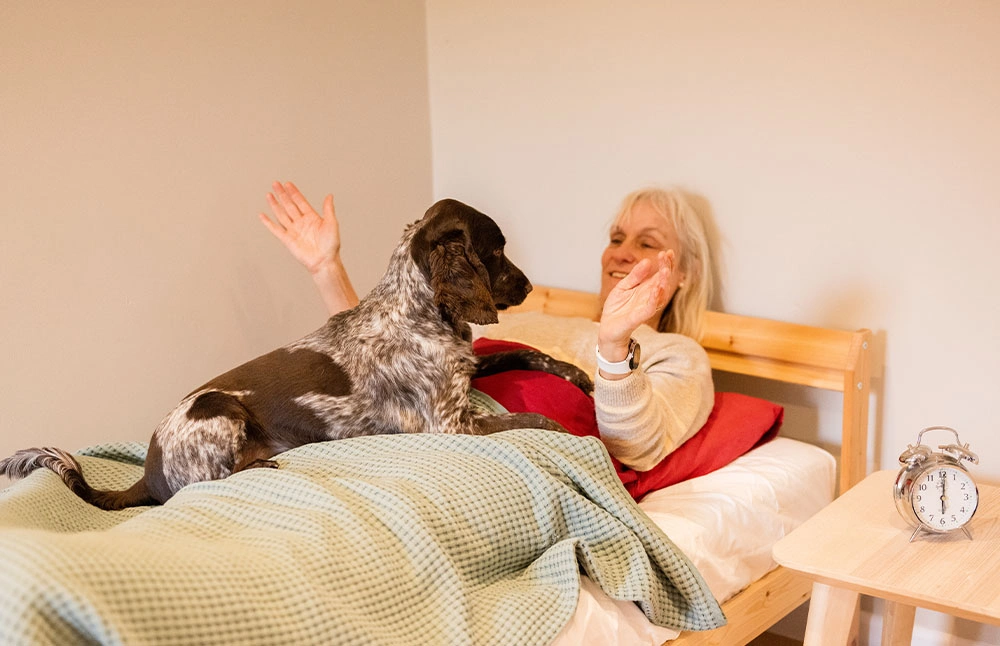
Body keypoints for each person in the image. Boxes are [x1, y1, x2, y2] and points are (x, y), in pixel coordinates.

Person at [260, 181, 715, 472]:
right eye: (616, 238)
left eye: (646, 242)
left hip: (463, 467)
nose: (621, 252)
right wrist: (327, 269)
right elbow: (389, 371)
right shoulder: (519, 319)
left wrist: (615, 342)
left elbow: (636, 448)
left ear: (685, 272)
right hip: (403, 447)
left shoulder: (677, 354)